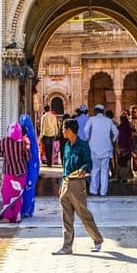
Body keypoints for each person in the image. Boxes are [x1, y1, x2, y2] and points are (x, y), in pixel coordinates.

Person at [52, 119, 105, 255]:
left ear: (69, 130)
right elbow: (65, 166)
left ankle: (97, 239)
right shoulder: (66, 146)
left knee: (83, 213)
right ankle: (67, 246)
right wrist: (62, 183)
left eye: (63, 129)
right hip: (66, 182)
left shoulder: (82, 145)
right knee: (66, 216)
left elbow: (88, 163)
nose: (62, 132)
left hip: (77, 183)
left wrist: (83, 169)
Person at [81, 104, 118, 197]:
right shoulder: (108, 121)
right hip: (106, 148)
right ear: (102, 111)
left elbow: (85, 130)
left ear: (95, 111)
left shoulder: (92, 120)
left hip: (94, 148)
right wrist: (112, 141)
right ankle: (103, 191)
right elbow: (116, 132)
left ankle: (94, 190)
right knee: (105, 170)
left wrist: (88, 139)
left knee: (95, 170)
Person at [0, 122, 29, 222]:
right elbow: (28, 158)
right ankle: (16, 216)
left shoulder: (3, 141)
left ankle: (7, 216)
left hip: (8, 172)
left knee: (7, 194)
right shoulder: (23, 143)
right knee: (18, 195)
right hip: (21, 173)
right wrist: (27, 145)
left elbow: (2, 154)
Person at [19, 113, 41, 218]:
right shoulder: (26, 135)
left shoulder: (28, 137)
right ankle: (25, 209)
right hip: (29, 165)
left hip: (30, 164)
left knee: (28, 186)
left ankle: (27, 210)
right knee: (26, 186)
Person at [115, 112, 136, 181]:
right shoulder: (129, 128)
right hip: (128, 148)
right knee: (127, 162)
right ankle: (126, 176)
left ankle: (121, 176)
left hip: (122, 147)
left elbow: (119, 138)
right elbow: (131, 138)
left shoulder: (120, 128)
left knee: (121, 162)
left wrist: (118, 148)